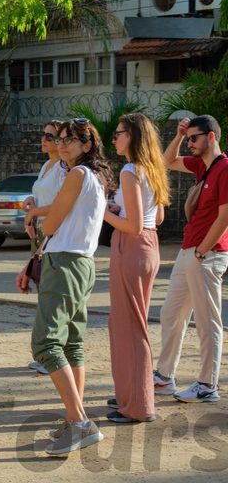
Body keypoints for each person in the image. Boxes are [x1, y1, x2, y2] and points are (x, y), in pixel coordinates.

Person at [17, 118, 115, 455]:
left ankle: (80, 423)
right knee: (72, 343)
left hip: (66, 263)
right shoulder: (95, 175)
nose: (63, 144)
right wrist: (32, 263)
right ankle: (78, 421)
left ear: (87, 146)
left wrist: (37, 218)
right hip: (80, 263)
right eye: (60, 139)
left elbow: (54, 223)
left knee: (45, 344)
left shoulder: (77, 174)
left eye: (71, 140)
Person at [154, 115, 228, 403]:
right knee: (171, 315)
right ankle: (164, 377)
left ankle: (207, 385)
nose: (190, 143)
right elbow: (166, 160)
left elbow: (224, 217)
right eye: (188, 139)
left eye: (194, 138)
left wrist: (200, 252)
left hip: (206, 254)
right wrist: (179, 133)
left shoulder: (224, 168)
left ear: (211, 137)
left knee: (208, 322)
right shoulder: (202, 165)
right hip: (189, 252)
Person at [103, 113, 169, 423]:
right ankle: (130, 394)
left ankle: (138, 406)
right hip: (148, 247)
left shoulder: (130, 170)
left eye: (119, 133)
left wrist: (103, 212)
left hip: (131, 247)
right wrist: (120, 208)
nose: (114, 138)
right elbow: (155, 219)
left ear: (133, 137)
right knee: (127, 324)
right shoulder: (152, 169)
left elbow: (131, 226)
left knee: (129, 327)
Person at [22, 120, 65, 375]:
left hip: (54, 233)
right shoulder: (47, 165)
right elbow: (42, 197)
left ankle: (53, 355)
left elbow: (61, 203)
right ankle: (49, 353)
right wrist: (32, 202)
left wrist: (34, 212)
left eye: (51, 136)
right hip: (39, 233)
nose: (45, 139)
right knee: (43, 290)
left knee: (52, 294)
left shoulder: (63, 168)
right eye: (44, 134)